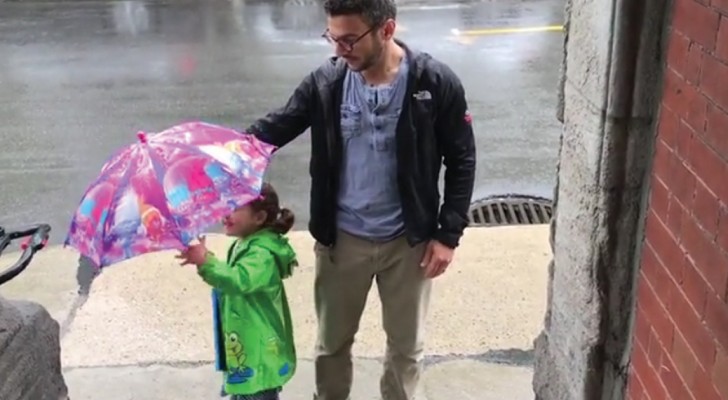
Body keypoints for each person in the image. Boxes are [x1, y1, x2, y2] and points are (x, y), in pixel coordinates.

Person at [244, 0, 476, 398]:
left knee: (406, 350)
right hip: (342, 240)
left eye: (349, 39)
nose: (339, 50)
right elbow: (274, 129)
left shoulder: (434, 83)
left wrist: (447, 234)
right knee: (331, 347)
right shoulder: (325, 83)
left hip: (410, 243)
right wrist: (219, 153)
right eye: (333, 38)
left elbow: (461, 159)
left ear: (386, 30)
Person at [177, 183, 298, 400]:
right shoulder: (247, 244)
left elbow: (239, 280)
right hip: (248, 346)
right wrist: (205, 258)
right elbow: (234, 275)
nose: (225, 214)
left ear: (259, 218)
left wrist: (207, 261)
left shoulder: (262, 254)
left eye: (234, 208)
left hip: (259, 354)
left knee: (256, 392)